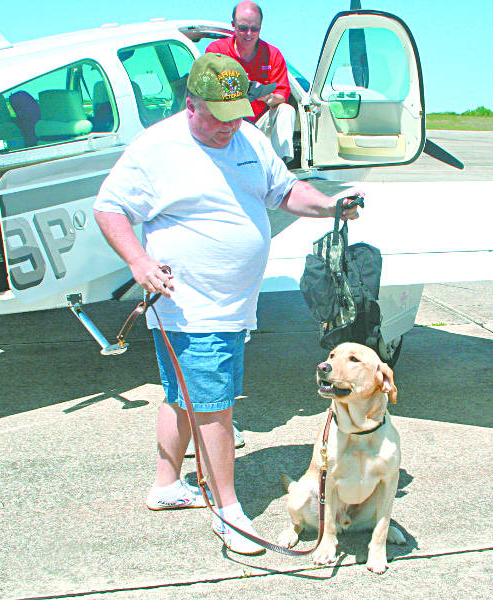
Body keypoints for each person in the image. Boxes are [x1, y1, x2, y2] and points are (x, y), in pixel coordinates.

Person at [93, 53, 362, 556]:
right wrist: (137, 261)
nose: (228, 126)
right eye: (216, 115)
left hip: (230, 305)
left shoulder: (247, 137)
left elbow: (283, 191)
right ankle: (229, 512)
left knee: (182, 396)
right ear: (190, 104)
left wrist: (327, 205)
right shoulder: (157, 147)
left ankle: (167, 485)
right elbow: (109, 206)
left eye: (237, 113)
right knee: (214, 409)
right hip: (190, 306)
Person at [206, 1, 296, 163]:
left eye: (254, 29)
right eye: (243, 28)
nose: (249, 33)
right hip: (229, 123)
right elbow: (207, 89)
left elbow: (282, 95)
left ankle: (281, 166)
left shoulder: (273, 54)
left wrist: (267, 97)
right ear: (233, 25)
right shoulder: (217, 51)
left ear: (261, 27)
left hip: (259, 122)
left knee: (286, 110)